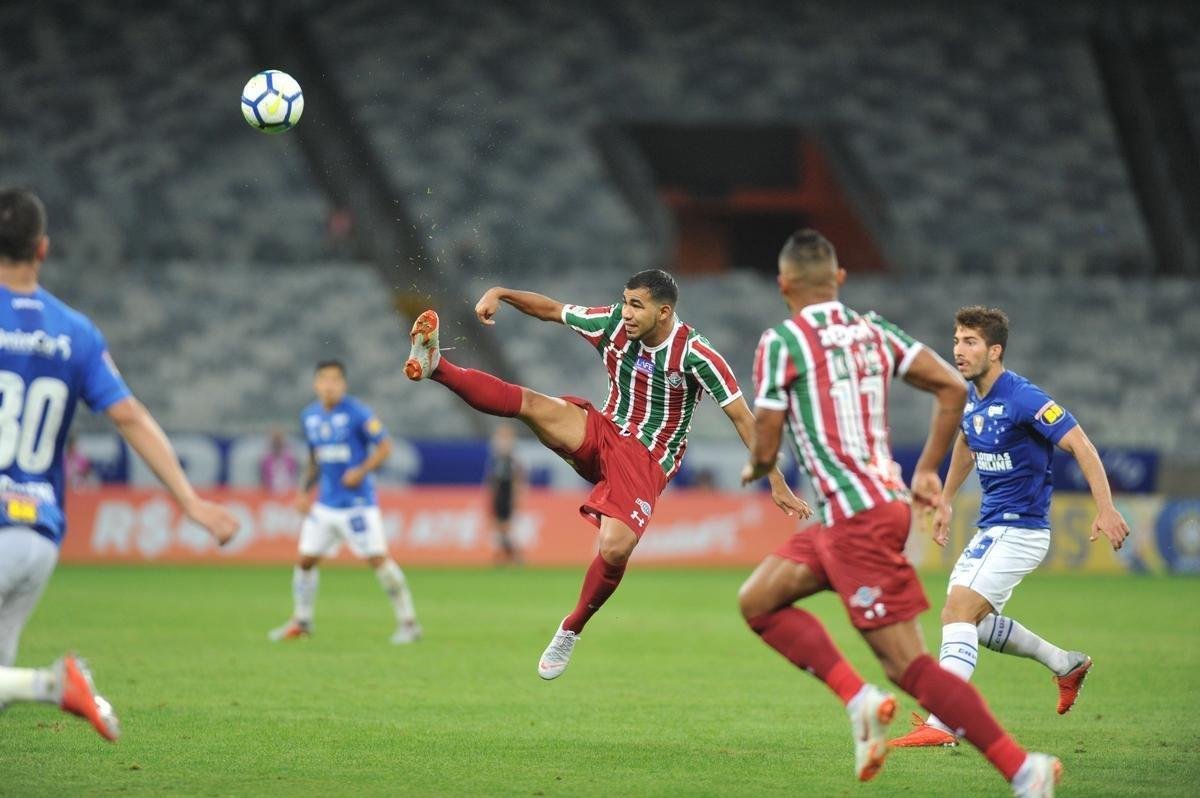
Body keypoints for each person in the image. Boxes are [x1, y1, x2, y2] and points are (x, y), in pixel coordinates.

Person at [737, 230, 1061, 796]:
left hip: (857, 519)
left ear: (783, 284)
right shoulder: (873, 328)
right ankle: (858, 699)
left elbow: (766, 444)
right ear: (839, 280)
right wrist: (928, 469)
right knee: (758, 601)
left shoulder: (781, 341)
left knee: (908, 668)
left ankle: (1021, 767)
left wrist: (757, 467)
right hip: (864, 509)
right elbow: (948, 387)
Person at [403, 268, 810, 680]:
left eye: (637, 305)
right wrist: (501, 292)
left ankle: (571, 628)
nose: (627, 312)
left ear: (664, 312)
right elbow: (552, 310)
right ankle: (437, 365)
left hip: (647, 457)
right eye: (625, 301)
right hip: (604, 430)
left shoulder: (696, 354)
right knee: (532, 404)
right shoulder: (612, 322)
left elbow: (743, 418)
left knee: (615, 548)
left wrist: (776, 480)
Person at [0, 188, 239, 741]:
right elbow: (129, 416)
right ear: (42, 249)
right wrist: (190, 500)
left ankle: (52, 686)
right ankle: (44, 686)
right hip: (37, 536)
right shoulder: (75, 332)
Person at [890, 306, 1130, 747]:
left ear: (994, 351)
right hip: (991, 529)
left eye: (970, 342)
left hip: (1021, 531)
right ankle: (1066, 664)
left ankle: (941, 726)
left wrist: (1106, 508)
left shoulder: (1023, 397)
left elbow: (1079, 443)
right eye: (957, 339)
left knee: (957, 612)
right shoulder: (970, 398)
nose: (959, 350)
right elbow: (966, 441)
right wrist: (945, 500)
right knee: (974, 624)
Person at [268, 361, 421, 644]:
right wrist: (303, 492)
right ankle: (301, 621)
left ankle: (409, 623)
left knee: (378, 560)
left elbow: (386, 446)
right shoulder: (309, 416)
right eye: (324, 379)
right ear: (316, 384)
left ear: (344, 384)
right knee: (305, 561)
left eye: (335, 380)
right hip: (325, 506)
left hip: (358, 504)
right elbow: (315, 459)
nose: (329, 385)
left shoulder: (358, 413)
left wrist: (361, 471)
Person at [485, 422, 524, 565]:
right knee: (499, 527)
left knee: (505, 527)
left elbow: (517, 479)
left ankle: (514, 555)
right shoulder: (496, 459)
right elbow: (491, 479)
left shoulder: (512, 459)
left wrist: (515, 496)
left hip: (506, 493)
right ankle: (507, 556)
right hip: (499, 493)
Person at [259, 427, 299, 495]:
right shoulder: (266, 459)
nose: (277, 445)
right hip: (270, 492)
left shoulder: (290, 458)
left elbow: (294, 474)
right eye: (275, 442)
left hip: (289, 492)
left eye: (278, 442)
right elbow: (263, 477)